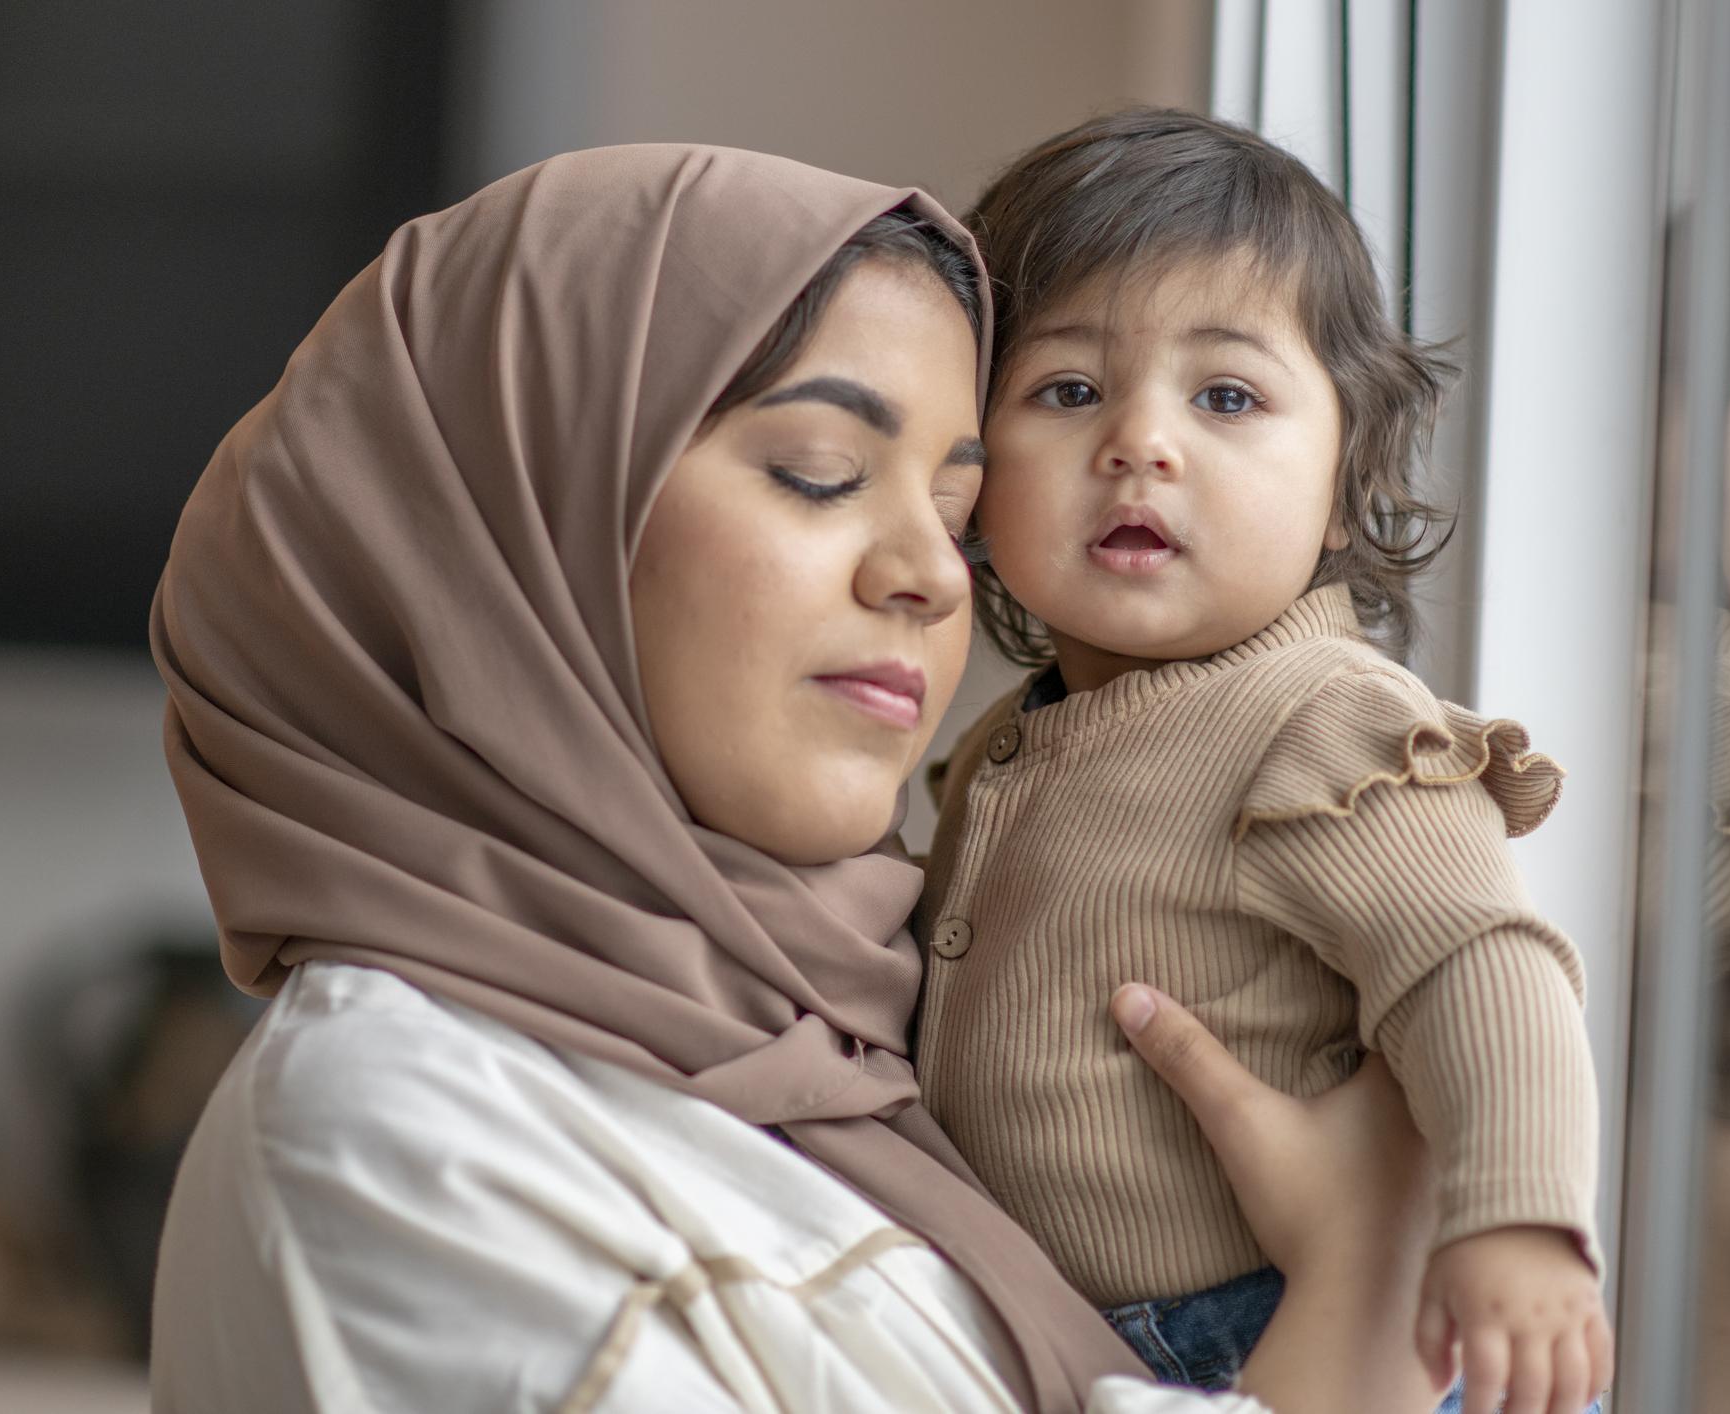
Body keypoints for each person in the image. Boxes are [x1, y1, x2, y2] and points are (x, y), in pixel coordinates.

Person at [146, 141, 1447, 1413]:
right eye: (820, 474)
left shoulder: (855, 1048)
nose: (933, 577)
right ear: (515, 526)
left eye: (955, 521)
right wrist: (1359, 1283)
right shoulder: (402, 1139)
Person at [912, 110, 1611, 1414]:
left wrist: (1512, 1219)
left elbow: (1482, 964)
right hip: (1075, 1337)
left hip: (1254, 1326)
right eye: (1066, 390)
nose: (1140, 441)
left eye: (1224, 394)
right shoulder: (1010, 739)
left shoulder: (1326, 720)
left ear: (1346, 476)